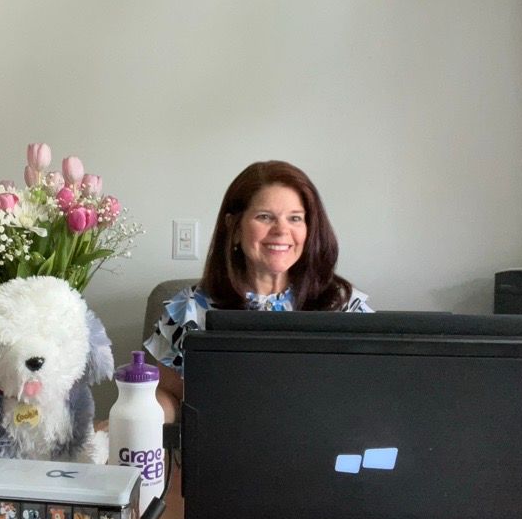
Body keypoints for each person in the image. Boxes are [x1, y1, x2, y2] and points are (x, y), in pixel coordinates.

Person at [143, 160, 372, 422]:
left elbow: (370, 393)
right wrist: (133, 421)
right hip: (223, 453)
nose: (282, 230)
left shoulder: (343, 306)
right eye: (265, 217)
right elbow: (169, 396)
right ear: (235, 228)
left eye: (295, 218)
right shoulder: (190, 308)